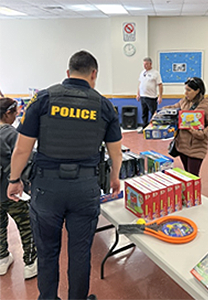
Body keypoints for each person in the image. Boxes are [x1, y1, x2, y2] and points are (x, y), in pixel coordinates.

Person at [7, 50, 122, 300]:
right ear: (94, 74)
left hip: (46, 189)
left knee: (47, 251)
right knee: (80, 252)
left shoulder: (43, 99)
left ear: (68, 73)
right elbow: (116, 154)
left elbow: (22, 149)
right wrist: (114, 178)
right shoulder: (104, 105)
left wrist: (14, 180)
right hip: (85, 188)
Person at [0, 97, 37, 279]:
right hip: (10, 191)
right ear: (8, 114)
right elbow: (24, 157)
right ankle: (30, 262)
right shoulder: (11, 134)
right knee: (26, 224)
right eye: (15, 113)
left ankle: (1, 259)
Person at [162, 77, 208, 176]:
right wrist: (161, 111)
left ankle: (194, 192)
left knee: (193, 177)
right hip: (182, 147)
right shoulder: (185, 101)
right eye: (185, 90)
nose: (186, 93)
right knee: (187, 175)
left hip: (196, 149)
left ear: (197, 91)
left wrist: (199, 134)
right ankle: (189, 191)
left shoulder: (206, 105)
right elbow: (174, 108)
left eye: (189, 90)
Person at [136, 57, 163, 133]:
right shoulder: (142, 72)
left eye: (146, 64)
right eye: (144, 64)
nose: (145, 66)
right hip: (143, 96)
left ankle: (152, 127)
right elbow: (140, 84)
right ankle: (144, 127)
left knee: (153, 113)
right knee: (144, 113)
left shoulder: (155, 73)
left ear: (150, 64)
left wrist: (160, 96)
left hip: (151, 97)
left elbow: (160, 85)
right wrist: (138, 94)